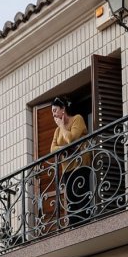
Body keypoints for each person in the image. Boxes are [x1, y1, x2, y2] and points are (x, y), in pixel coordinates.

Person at [49, 97, 92, 226]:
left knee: (81, 194)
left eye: (55, 110)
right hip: (67, 167)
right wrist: (64, 148)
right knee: (71, 199)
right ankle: (74, 227)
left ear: (63, 109)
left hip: (80, 163)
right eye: (52, 112)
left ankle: (85, 224)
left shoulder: (77, 119)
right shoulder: (57, 131)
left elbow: (71, 139)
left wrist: (62, 126)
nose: (54, 114)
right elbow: (52, 149)